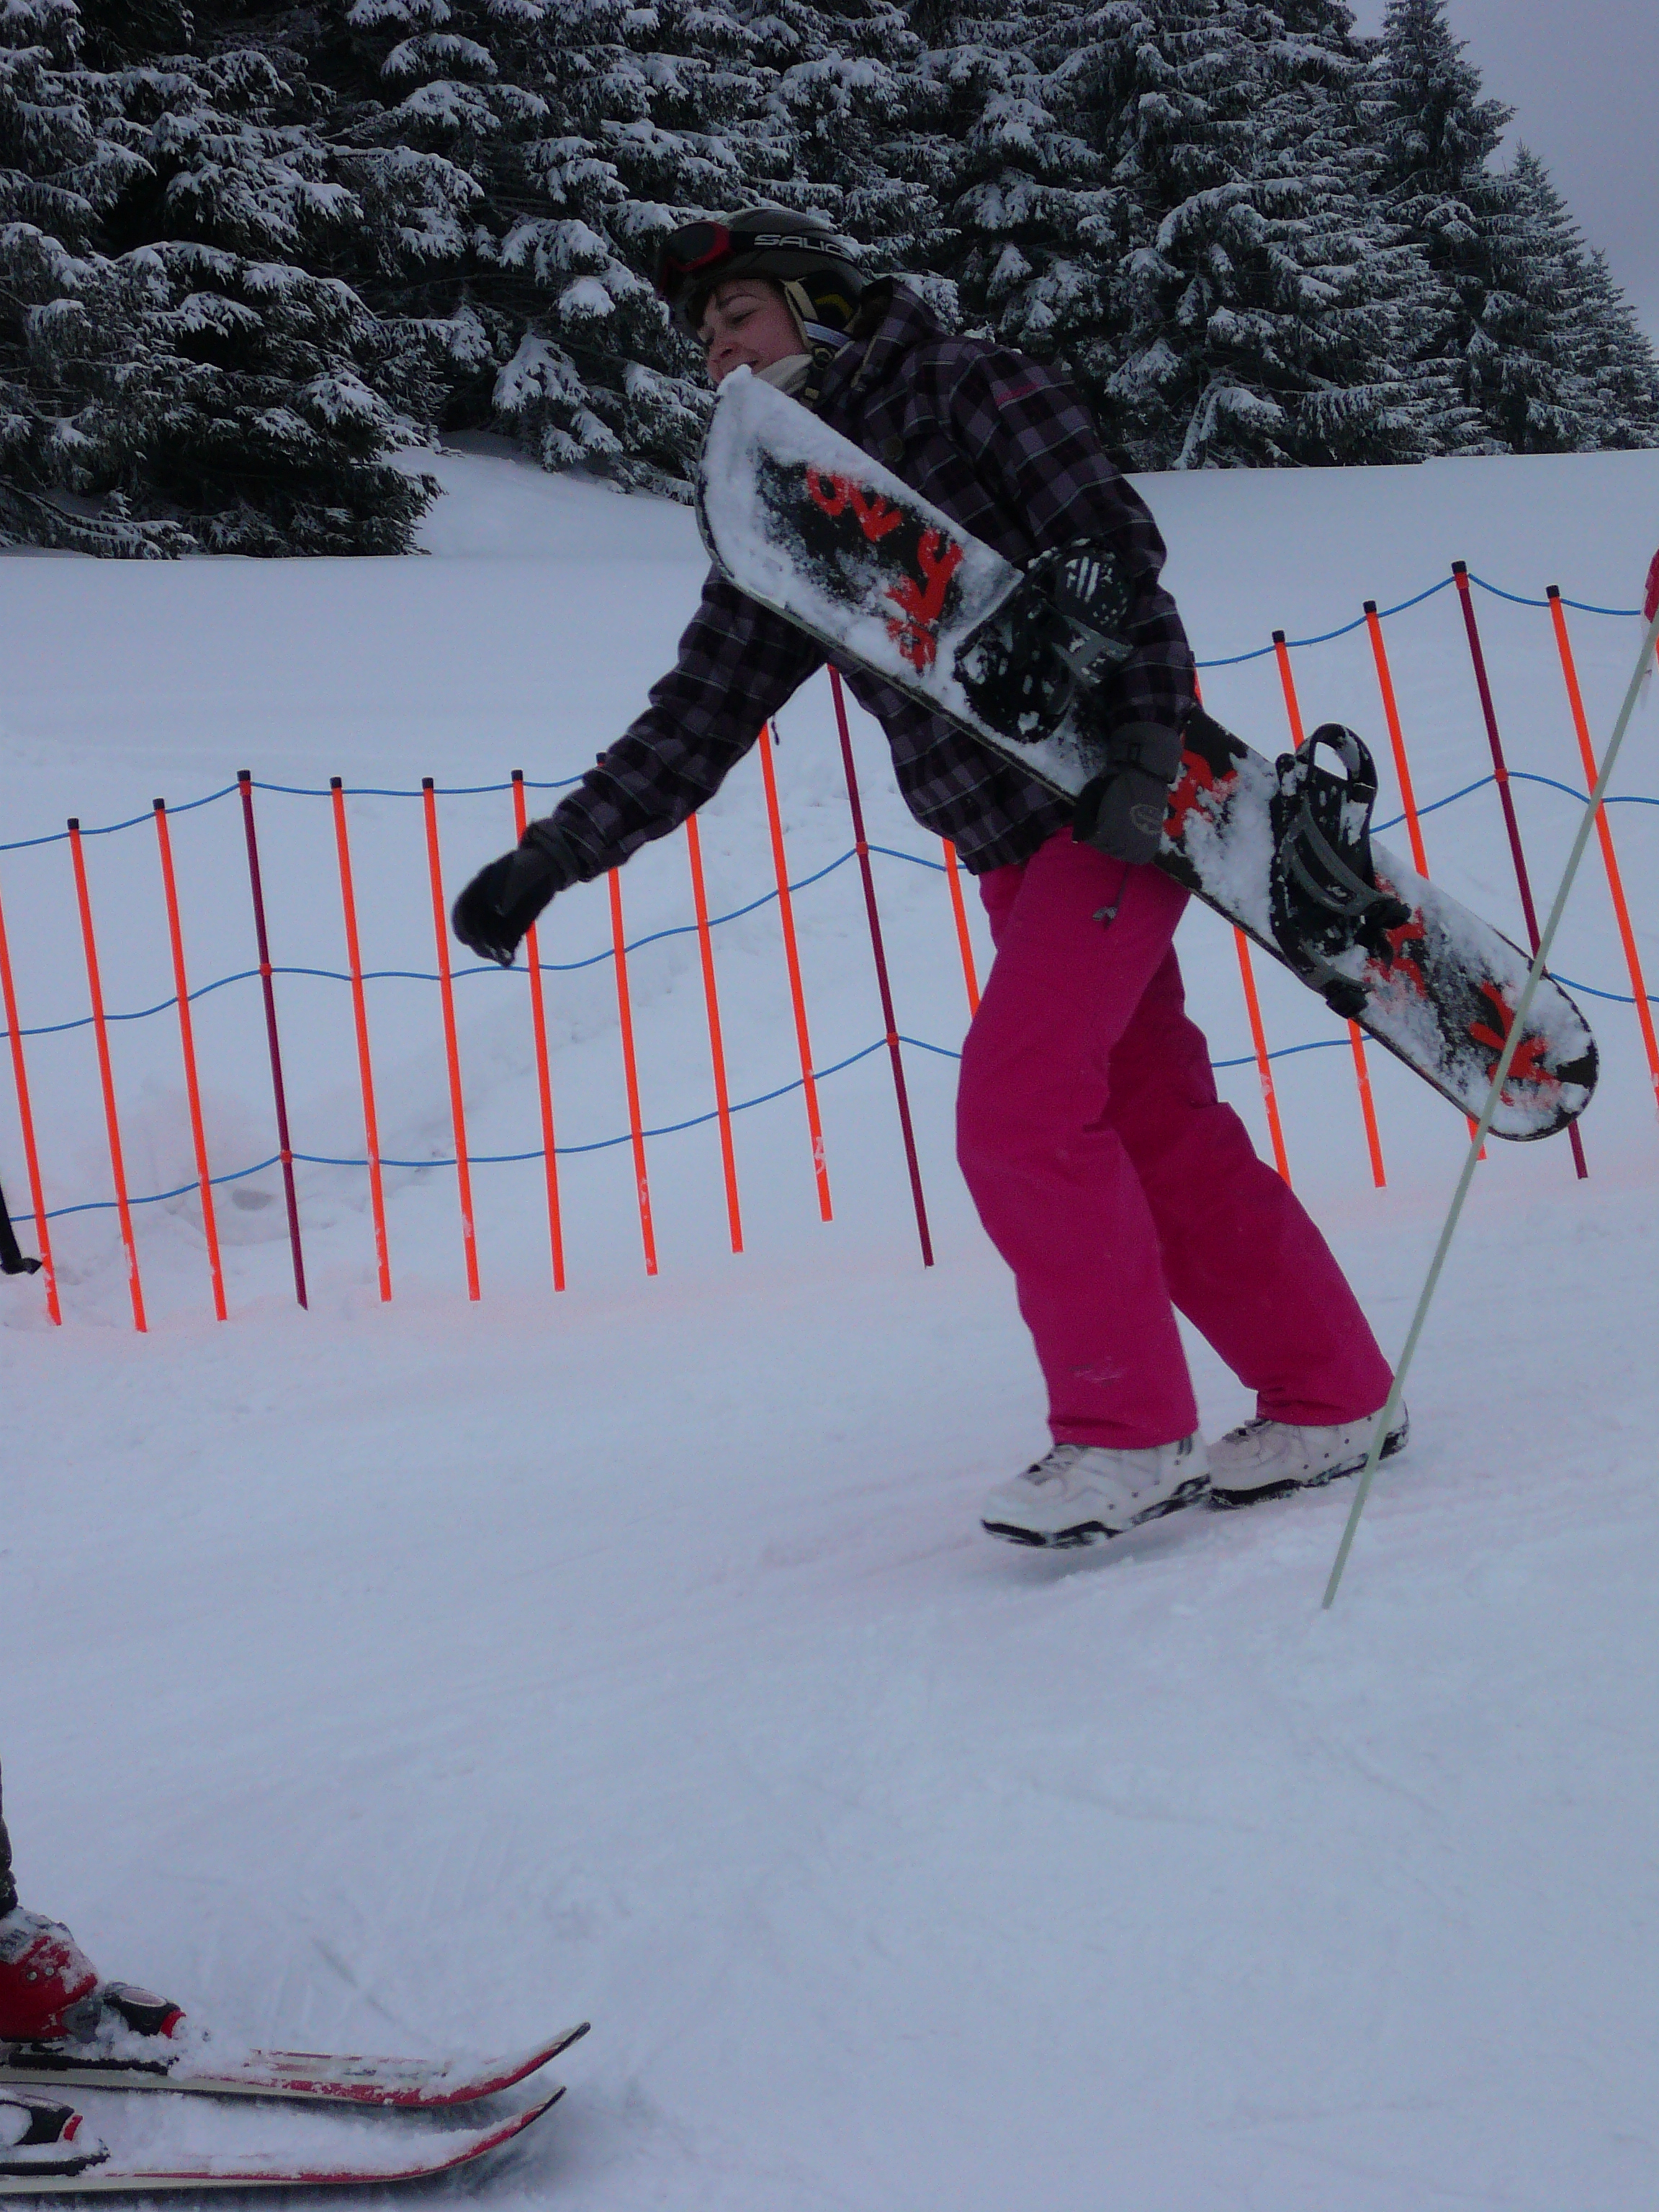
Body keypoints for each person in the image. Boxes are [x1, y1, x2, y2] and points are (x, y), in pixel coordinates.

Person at [451, 206, 1406, 1545]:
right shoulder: (781, 507)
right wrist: (556, 854)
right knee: (1156, 1129)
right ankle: (1334, 1394)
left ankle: (1126, 1436)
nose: (718, 353)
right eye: (701, 340)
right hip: (1014, 856)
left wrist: (1142, 745)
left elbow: (1113, 546)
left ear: (817, 304)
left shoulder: (965, 385)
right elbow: (703, 709)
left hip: (1118, 812)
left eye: (738, 316)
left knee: (1019, 1115)